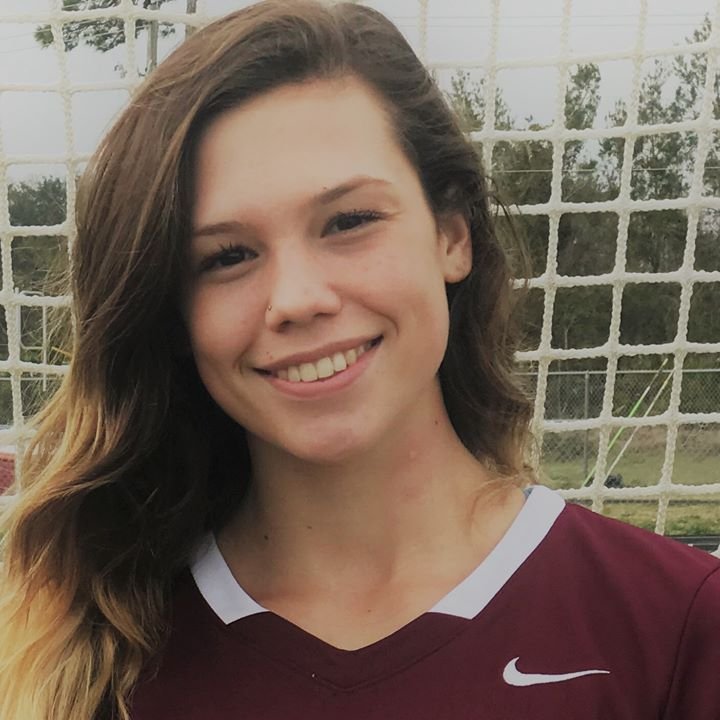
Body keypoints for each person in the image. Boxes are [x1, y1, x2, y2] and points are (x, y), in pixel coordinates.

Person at [0, 2, 718, 719]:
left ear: (452, 236)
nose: (296, 299)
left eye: (349, 221)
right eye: (227, 256)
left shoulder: (678, 626)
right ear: (175, 314)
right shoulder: (74, 653)